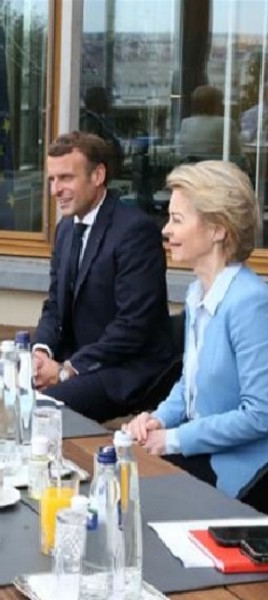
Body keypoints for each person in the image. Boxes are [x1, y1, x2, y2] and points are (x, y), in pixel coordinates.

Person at [125, 160, 268, 513]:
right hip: (204, 454)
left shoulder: (250, 302)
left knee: (135, 499)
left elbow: (260, 414)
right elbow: (190, 384)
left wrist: (173, 439)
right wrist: (158, 418)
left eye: (177, 220)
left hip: (245, 474)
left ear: (218, 229)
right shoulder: (197, 292)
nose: (165, 230)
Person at [33, 131, 174, 422]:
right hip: (75, 357)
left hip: (125, 369)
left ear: (97, 175)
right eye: (52, 179)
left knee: (43, 408)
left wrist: (66, 369)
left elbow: (133, 326)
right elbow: (54, 305)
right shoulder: (65, 229)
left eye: (66, 178)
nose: (55, 190)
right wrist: (40, 353)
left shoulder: (135, 231)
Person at [177, 85, 242, 158]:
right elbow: (237, 154)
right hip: (217, 168)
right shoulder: (225, 123)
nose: (222, 105)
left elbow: (181, 151)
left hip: (191, 168)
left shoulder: (185, 123)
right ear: (215, 104)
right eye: (220, 102)